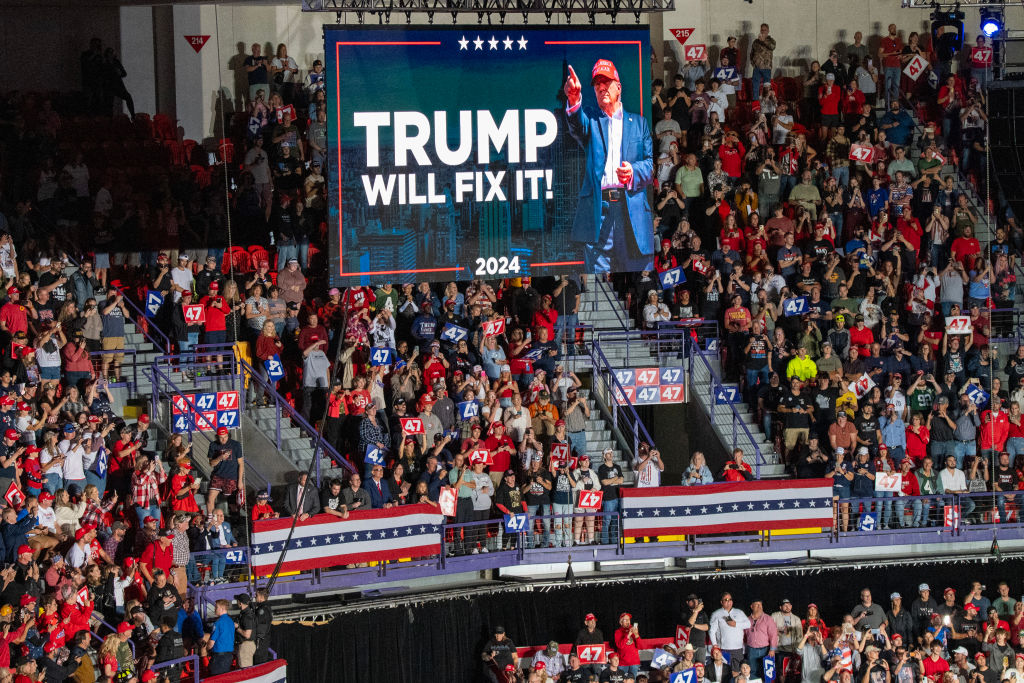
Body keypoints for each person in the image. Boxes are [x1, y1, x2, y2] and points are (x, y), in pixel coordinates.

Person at [563, 59, 655, 273]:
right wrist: (574, 98)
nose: (602, 87)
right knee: (598, 283)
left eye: (606, 82)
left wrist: (633, 171)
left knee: (636, 278)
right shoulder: (592, 121)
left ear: (618, 87)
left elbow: (651, 166)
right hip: (599, 211)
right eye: (597, 84)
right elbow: (577, 125)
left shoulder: (639, 123)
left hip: (630, 211)